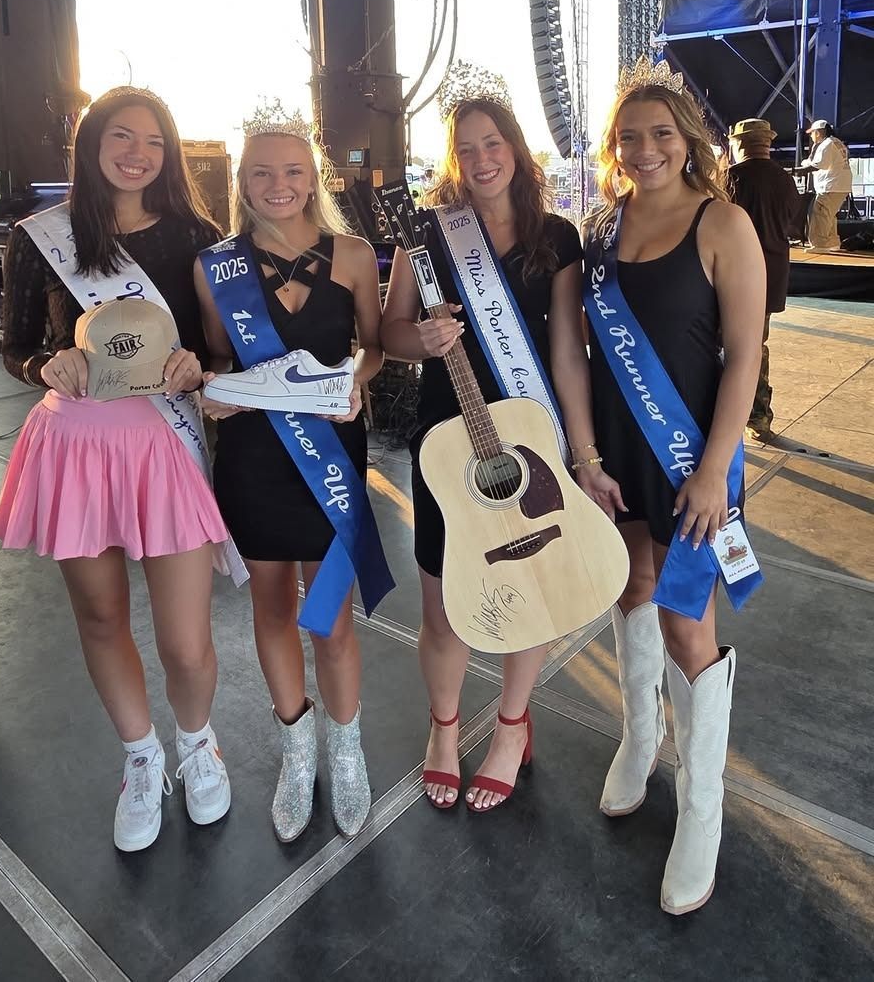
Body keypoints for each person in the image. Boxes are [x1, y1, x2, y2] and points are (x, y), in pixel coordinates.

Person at [0, 86, 245, 853]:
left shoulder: (201, 235)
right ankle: (141, 758)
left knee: (186, 640)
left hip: (165, 447)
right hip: (77, 447)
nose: (138, 153)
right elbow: (14, 346)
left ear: (170, 153)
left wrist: (199, 366)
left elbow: (219, 350)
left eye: (154, 141)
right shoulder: (43, 237)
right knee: (100, 616)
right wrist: (47, 363)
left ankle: (198, 742)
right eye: (121, 137)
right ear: (92, 145)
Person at [380, 61, 624, 815]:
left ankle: (514, 726)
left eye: (495, 143)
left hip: (528, 435)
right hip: (445, 440)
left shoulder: (556, 237)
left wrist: (582, 458)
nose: (483, 159)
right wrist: (420, 338)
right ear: (455, 156)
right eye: (468, 147)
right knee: (446, 603)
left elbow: (565, 354)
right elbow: (388, 333)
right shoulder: (429, 231)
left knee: (535, 590)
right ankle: (444, 728)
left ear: (516, 149)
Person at [583, 58, 765, 914]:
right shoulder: (598, 230)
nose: (645, 148)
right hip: (622, 451)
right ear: (614, 148)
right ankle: (639, 735)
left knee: (689, 624)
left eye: (661, 133)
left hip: (694, 456)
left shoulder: (723, 222)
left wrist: (715, 469)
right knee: (633, 590)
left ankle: (704, 808)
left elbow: (745, 357)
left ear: (688, 138)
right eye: (630, 136)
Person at [194, 102, 392, 841]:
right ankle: (295, 747)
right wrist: (215, 390)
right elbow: (219, 355)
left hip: (332, 455)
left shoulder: (352, 254)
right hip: (253, 459)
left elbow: (372, 346)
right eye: (262, 173)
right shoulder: (215, 264)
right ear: (242, 181)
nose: (279, 185)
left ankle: (345, 750)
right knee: (272, 609)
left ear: (314, 178)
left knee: (331, 617)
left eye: (293, 171)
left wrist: (357, 381)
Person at [726, 118, 804, 440]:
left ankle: (725, 417)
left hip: (733, 275)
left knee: (725, 348)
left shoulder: (730, 178)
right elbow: (795, 227)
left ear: (739, 144)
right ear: (767, 144)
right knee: (756, 347)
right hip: (771, 275)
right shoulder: (784, 180)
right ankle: (759, 420)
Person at [795, 119, 852, 250]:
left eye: (812, 133)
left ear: (819, 132)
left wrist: (795, 171)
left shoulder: (826, 144)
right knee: (829, 215)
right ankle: (832, 242)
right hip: (839, 185)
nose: (810, 135)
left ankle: (819, 244)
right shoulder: (836, 142)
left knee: (819, 213)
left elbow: (818, 166)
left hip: (830, 186)